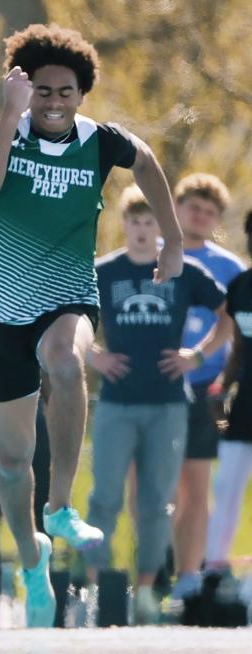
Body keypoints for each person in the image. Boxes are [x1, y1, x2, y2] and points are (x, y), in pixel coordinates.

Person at [0, 24, 184, 626]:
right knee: (11, 467)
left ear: (82, 94)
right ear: (23, 91)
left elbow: (148, 163)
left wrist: (173, 237)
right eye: (41, 92)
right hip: (0, 315)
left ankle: (60, 505)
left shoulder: (100, 141)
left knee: (65, 361)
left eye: (64, 92)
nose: (53, 102)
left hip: (69, 296)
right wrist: (10, 119)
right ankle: (32, 558)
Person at [85, 186, 229, 624]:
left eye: (151, 223)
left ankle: (146, 590)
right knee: (104, 499)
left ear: (161, 228)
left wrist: (198, 355)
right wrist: (94, 355)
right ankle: (95, 587)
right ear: (124, 225)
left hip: (167, 405)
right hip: (115, 404)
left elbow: (231, 311)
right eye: (136, 222)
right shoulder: (102, 272)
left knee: (156, 502)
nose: (144, 231)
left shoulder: (183, 270)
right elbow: (65, 316)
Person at [167, 173, 245, 600]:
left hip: (203, 388)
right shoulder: (150, 254)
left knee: (196, 488)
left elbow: (237, 333)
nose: (199, 217)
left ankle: (188, 580)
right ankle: (150, 572)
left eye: (209, 212)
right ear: (176, 207)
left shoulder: (230, 268)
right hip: (150, 388)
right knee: (151, 490)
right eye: (193, 207)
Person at [205, 209, 252, 578]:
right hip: (244, 407)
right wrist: (221, 386)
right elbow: (237, 347)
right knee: (226, 490)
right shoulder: (241, 287)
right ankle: (212, 576)